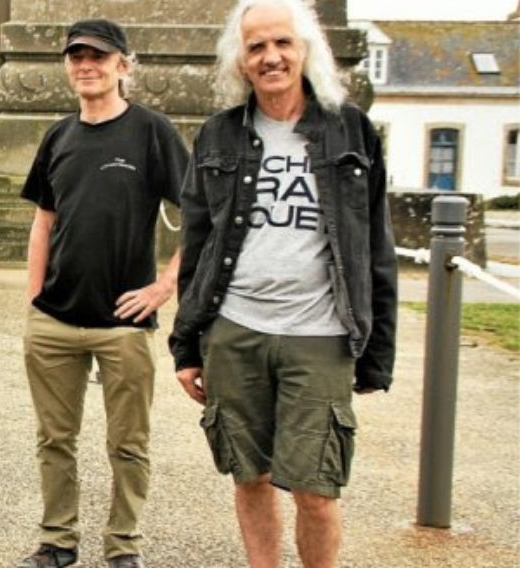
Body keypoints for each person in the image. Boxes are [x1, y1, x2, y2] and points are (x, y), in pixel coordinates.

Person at [169, 0, 397, 566]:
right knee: (250, 478)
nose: (270, 57)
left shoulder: (350, 130)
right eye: (256, 47)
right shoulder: (219, 136)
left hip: (318, 335)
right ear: (240, 62)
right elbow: (196, 247)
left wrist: (377, 356)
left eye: (282, 44)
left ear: (305, 51)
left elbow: (375, 247)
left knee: (317, 491)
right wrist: (187, 345)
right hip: (235, 329)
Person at [16, 19, 188, 568]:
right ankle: (57, 541)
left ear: (123, 65)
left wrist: (164, 287)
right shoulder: (58, 136)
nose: (85, 65)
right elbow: (44, 219)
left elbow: (201, 218)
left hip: (124, 323)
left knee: (128, 445)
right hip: (56, 321)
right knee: (54, 441)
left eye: (98, 56)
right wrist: (35, 296)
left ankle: (122, 547)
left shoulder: (150, 131)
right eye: (76, 56)